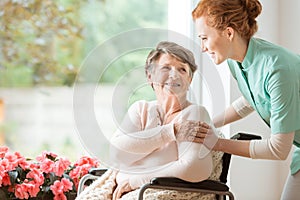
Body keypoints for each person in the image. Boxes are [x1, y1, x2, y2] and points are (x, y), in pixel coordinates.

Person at [191, 0, 300, 199]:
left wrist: (218, 143)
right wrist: (208, 124)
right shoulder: (237, 61)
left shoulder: (277, 69)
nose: (202, 48)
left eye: (204, 38)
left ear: (229, 33)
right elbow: (252, 99)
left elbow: (278, 148)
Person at [109, 41, 224, 200]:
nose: (174, 74)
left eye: (182, 70)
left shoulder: (195, 113)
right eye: (166, 68)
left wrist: (136, 181)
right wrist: (171, 132)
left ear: (189, 80)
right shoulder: (141, 109)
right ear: (150, 76)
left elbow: (193, 168)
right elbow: (116, 155)